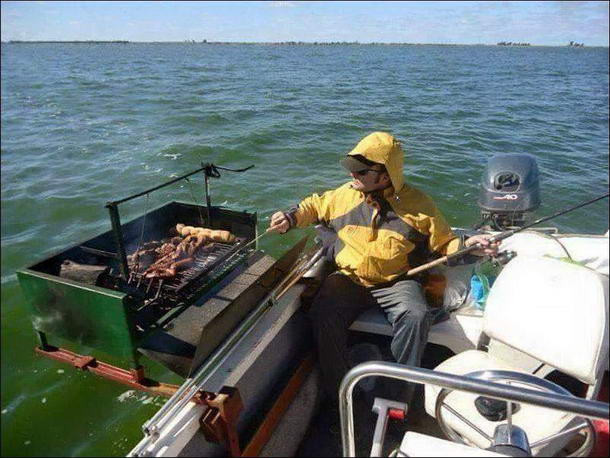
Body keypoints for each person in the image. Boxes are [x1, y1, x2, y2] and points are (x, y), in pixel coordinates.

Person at [268, 131, 498, 404]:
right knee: (322, 313)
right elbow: (314, 207)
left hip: (397, 281)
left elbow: (445, 244)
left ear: (386, 175)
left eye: (361, 171)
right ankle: (340, 394)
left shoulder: (420, 206)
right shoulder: (343, 196)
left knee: (416, 316)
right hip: (350, 279)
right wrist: (290, 218)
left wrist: (470, 246)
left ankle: (397, 396)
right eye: (352, 168)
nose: (353, 175)